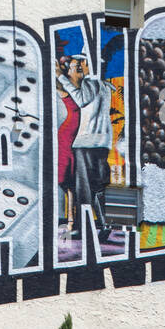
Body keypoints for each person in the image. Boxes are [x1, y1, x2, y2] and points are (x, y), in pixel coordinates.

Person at [56, 54, 114, 242]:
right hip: (103, 142)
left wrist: (61, 77)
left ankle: (83, 229)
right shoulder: (106, 86)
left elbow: (81, 99)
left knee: (83, 190)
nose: (82, 65)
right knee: (99, 186)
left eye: (85, 63)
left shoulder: (90, 84)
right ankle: (105, 224)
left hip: (85, 143)